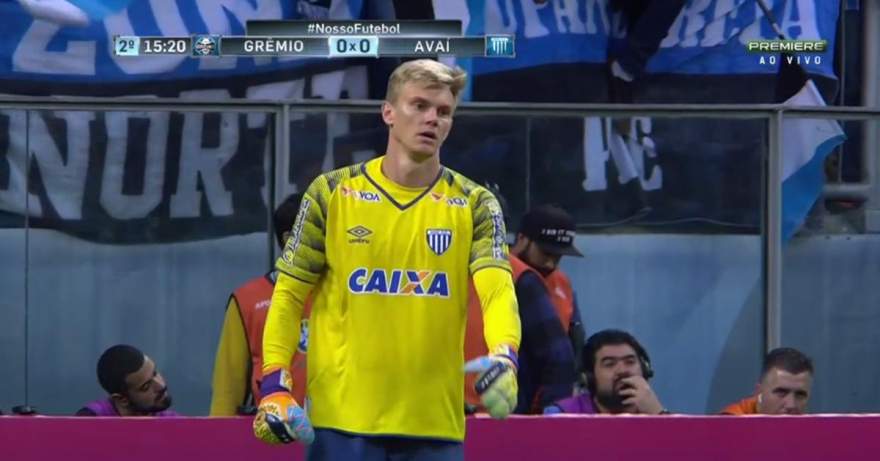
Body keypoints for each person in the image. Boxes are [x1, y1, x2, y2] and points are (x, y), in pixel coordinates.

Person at [252, 59, 522, 460]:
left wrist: (506, 355)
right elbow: (289, 295)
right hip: (342, 425)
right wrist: (275, 383)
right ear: (388, 112)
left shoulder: (476, 204)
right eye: (419, 105)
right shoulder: (330, 193)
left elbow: (498, 291)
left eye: (443, 112)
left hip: (436, 424)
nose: (432, 119)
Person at [210, 194, 309, 416]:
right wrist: (218, 442)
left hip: (338, 438)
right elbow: (227, 389)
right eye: (321, 230)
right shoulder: (248, 301)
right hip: (274, 437)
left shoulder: (345, 293)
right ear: (289, 239)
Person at [508, 205, 585, 414]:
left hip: (545, 399)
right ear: (522, 239)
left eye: (558, 256)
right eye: (545, 253)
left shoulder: (562, 283)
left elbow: (573, 342)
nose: (551, 262)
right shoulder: (500, 273)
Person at [544, 329, 667, 415]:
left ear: (644, 370)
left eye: (630, 362)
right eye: (609, 364)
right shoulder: (562, 415)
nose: (622, 371)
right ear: (589, 377)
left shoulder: (653, 411)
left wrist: (659, 414)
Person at [76, 344, 177, 416]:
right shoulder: (89, 421)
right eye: (146, 387)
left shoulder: (175, 425)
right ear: (122, 399)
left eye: (155, 373)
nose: (161, 385)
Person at [721, 347, 814, 415]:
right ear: (758, 392)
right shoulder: (730, 424)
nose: (791, 405)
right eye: (781, 392)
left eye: (800, 395)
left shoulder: (815, 429)